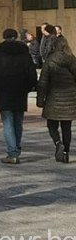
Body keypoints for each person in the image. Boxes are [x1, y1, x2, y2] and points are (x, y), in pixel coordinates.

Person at [0, 29, 38, 164]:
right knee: (18, 122)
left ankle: (12, 153)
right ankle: (16, 149)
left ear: (4, 37)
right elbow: (32, 73)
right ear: (16, 37)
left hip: (3, 90)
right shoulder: (24, 52)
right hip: (20, 91)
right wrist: (30, 87)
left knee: (8, 122)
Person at [37, 36, 76, 164]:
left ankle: (58, 143)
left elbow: (43, 82)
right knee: (67, 127)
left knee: (52, 125)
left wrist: (40, 99)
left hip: (53, 98)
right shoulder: (72, 59)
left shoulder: (50, 61)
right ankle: (66, 153)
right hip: (70, 98)